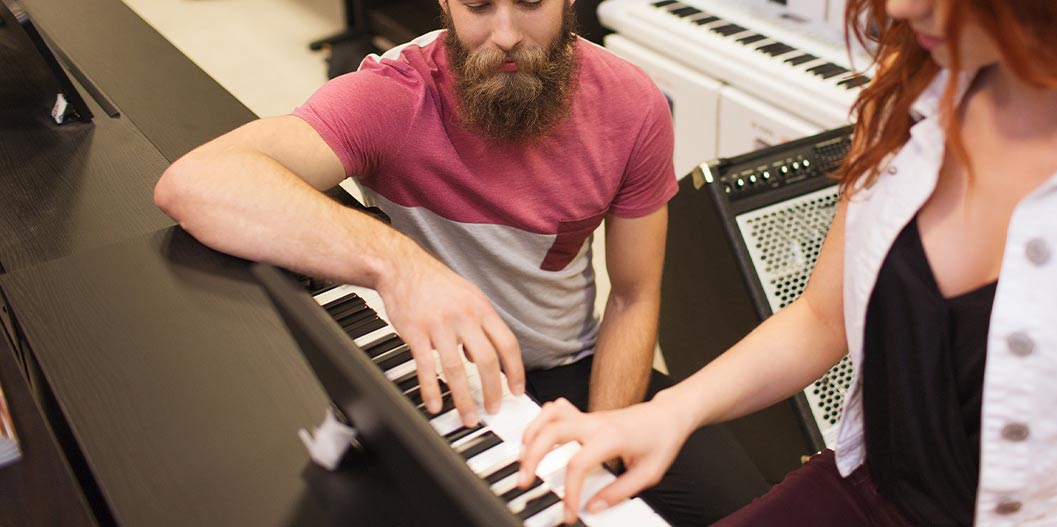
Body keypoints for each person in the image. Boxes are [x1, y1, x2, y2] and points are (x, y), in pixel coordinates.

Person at [518, 0, 1057, 525]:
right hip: (867, 493)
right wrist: (669, 411)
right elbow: (822, 318)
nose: (899, 8)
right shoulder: (914, 92)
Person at [153, 0, 768, 524]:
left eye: (531, 3)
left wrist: (598, 448)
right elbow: (197, 182)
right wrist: (400, 265)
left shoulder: (632, 105)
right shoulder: (394, 94)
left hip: (569, 372)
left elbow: (634, 296)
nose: (506, 34)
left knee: (748, 510)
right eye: (478, 5)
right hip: (434, 376)